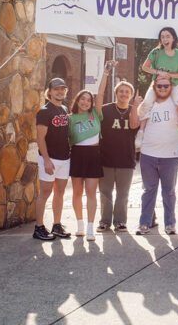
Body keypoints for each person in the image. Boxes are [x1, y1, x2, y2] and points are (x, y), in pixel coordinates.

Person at [136, 75, 178, 235]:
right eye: (159, 86)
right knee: (148, 191)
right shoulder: (149, 105)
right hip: (148, 154)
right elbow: (137, 120)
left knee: (169, 191)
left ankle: (170, 224)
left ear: (171, 87)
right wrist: (136, 105)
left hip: (171, 156)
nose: (163, 89)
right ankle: (144, 223)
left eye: (166, 86)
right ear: (154, 87)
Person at [69, 62, 111, 241]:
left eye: (88, 99)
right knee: (77, 193)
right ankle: (79, 225)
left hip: (94, 155)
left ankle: (90, 227)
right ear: (77, 101)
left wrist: (106, 73)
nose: (85, 102)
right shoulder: (70, 119)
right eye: (82, 99)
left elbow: (100, 94)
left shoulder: (95, 113)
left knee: (91, 192)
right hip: (77, 155)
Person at [97, 80, 141, 233]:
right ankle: (104, 222)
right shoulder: (106, 110)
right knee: (105, 193)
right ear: (116, 93)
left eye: (127, 92)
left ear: (131, 95)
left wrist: (135, 106)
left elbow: (135, 126)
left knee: (123, 194)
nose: (124, 94)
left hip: (126, 160)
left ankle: (120, 222)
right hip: (105, 159)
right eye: (121, 91)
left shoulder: (134, 111)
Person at [136, 27, 178, 148]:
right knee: (147, 102)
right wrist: (158, 72)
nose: (165, 39)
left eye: (168, 36)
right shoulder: (156, 51)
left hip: (174, 84)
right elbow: (145, 67)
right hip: (157, 83)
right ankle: (141, 132)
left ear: (173, 38)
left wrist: (169, 75)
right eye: (162, 37)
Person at [34, 78, 71, 240]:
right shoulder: (44, 111)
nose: (60, 92)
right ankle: (39, 227)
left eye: (62, 89)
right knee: (45, 192)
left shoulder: (64, 109)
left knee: (60, 193)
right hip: (49, 159)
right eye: (56, 89)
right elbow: (40, 138)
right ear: (50, 91)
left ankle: (56, 225)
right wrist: (47, 160)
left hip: (64, 158)